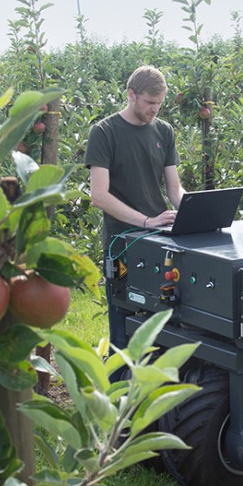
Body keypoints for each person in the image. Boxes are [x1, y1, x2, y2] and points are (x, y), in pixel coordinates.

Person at [85, 65, 186, 347]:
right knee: (122, 319)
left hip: (159, 240)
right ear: (131, 95)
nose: (155, 109)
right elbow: (99, 195)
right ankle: (118, 385)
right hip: (122, 242)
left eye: (160, 103)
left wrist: (192, 211)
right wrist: (144, 221)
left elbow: (174, 189)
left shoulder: (164, 132)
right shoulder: (104, 132)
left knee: (162, 315)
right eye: (150, 103)